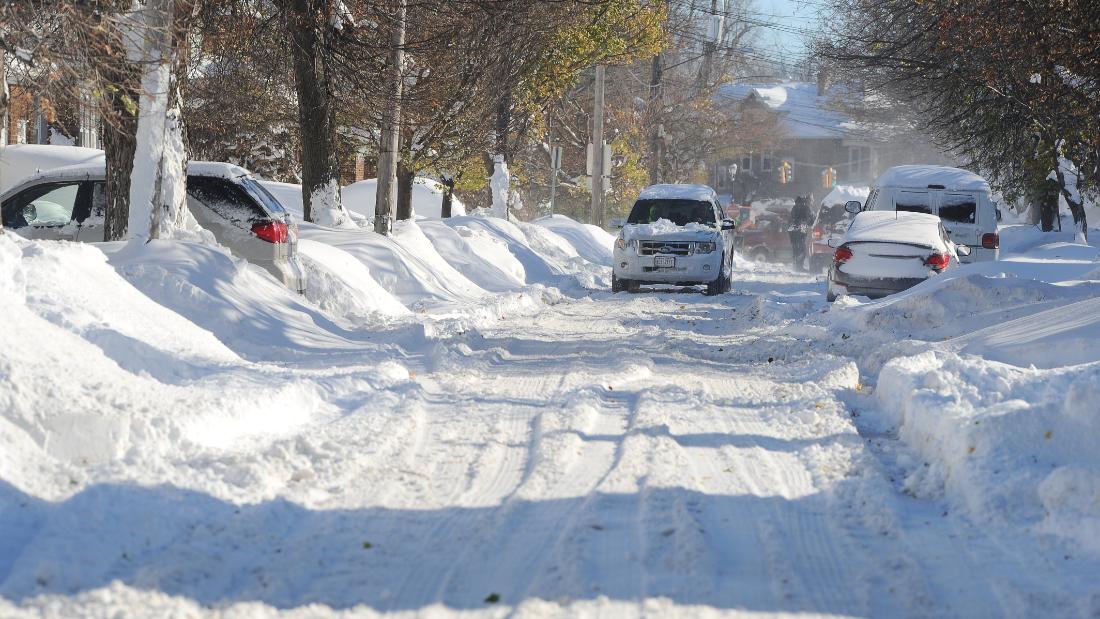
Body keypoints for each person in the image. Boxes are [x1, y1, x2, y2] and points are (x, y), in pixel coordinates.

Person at [788, 195, 814, 270]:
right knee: (801, 248)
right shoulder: (806, 207)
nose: (811, 203)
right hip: (801, 227)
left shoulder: (794, 207)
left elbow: (791, 219)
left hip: (792, 229)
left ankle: (796, 266)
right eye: (811, 201)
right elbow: (809, 220)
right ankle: (799, 266)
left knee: (795, 248)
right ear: (808, 200)